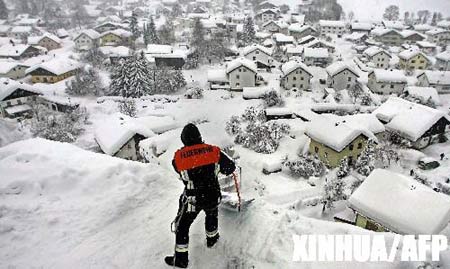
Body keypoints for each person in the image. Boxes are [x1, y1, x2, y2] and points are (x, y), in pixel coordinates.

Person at [165, 123, 236, 268]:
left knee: (182, 227)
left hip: (193, 200)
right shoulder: (213, 151)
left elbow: (178, 169)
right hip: (213, 195)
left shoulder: (179, 157)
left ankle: (181, 260)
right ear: (199, 136)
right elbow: (230, 167)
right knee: (212, 215)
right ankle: (212, 240)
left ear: (184, 139)